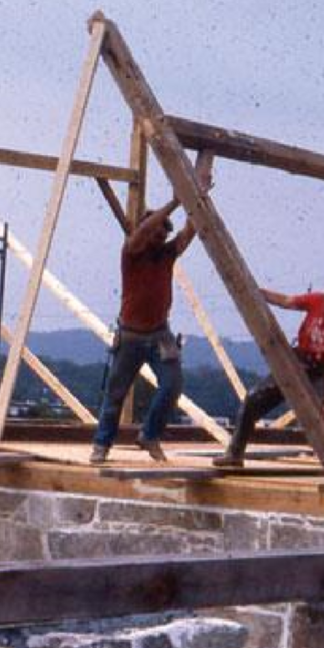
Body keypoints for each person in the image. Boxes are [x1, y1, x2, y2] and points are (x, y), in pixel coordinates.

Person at [89, 180, 209, 464]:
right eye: (154, 231)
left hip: (159, 335)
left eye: (160, 233)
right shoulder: (132, 252)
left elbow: (190, 231)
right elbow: (142, 232)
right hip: (130, 336)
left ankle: (150, 434)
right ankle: (101, 445)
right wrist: (176, 202)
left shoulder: (166, 255)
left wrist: (197, 199)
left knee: (172, 385)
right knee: (115, 395)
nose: (157, 237)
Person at [214, 276, 324, 474]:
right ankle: (235, 453)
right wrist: (258, 293)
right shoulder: (316, 300)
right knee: (253, 398)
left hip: (321, 370)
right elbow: (286, 301)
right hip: (298, 360)